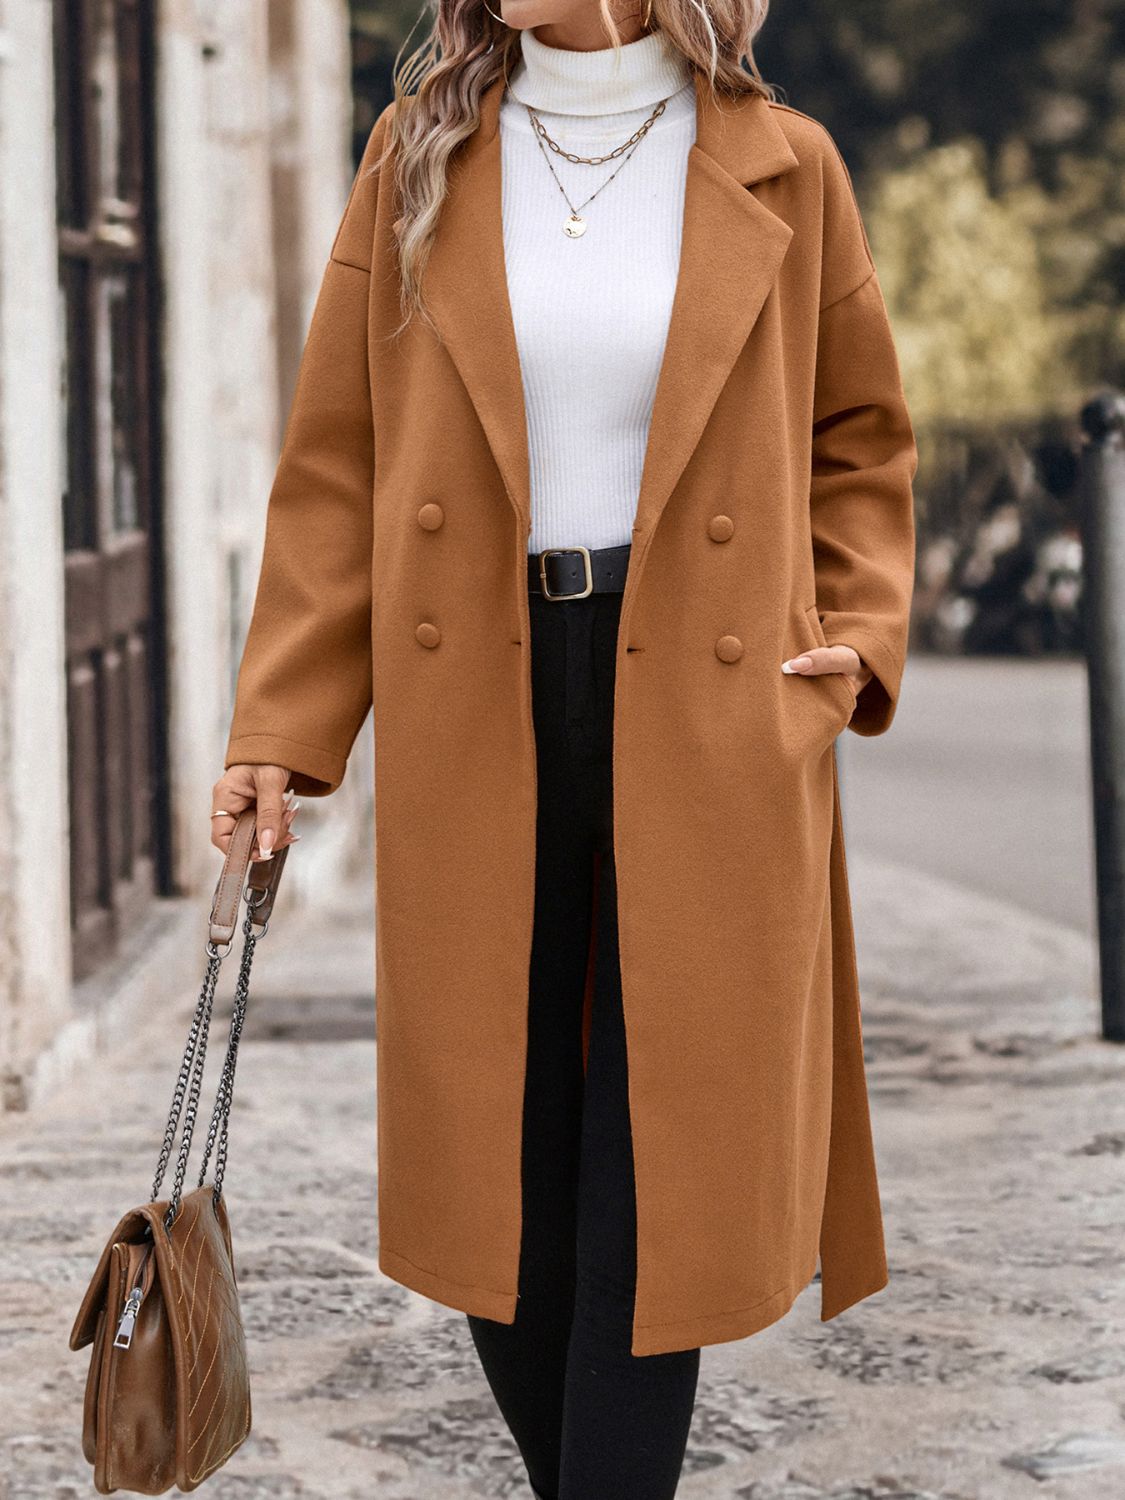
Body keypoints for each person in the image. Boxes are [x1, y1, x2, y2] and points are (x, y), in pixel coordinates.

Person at [210, 1, 917, 1495]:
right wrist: (284, 724)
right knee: (502, 1170)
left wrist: (852, 638)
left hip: (715, 705)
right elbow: (335, 464)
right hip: (480, 684)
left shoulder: (785, 163)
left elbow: (861, 436)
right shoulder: (420, 152)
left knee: (656, 1164)